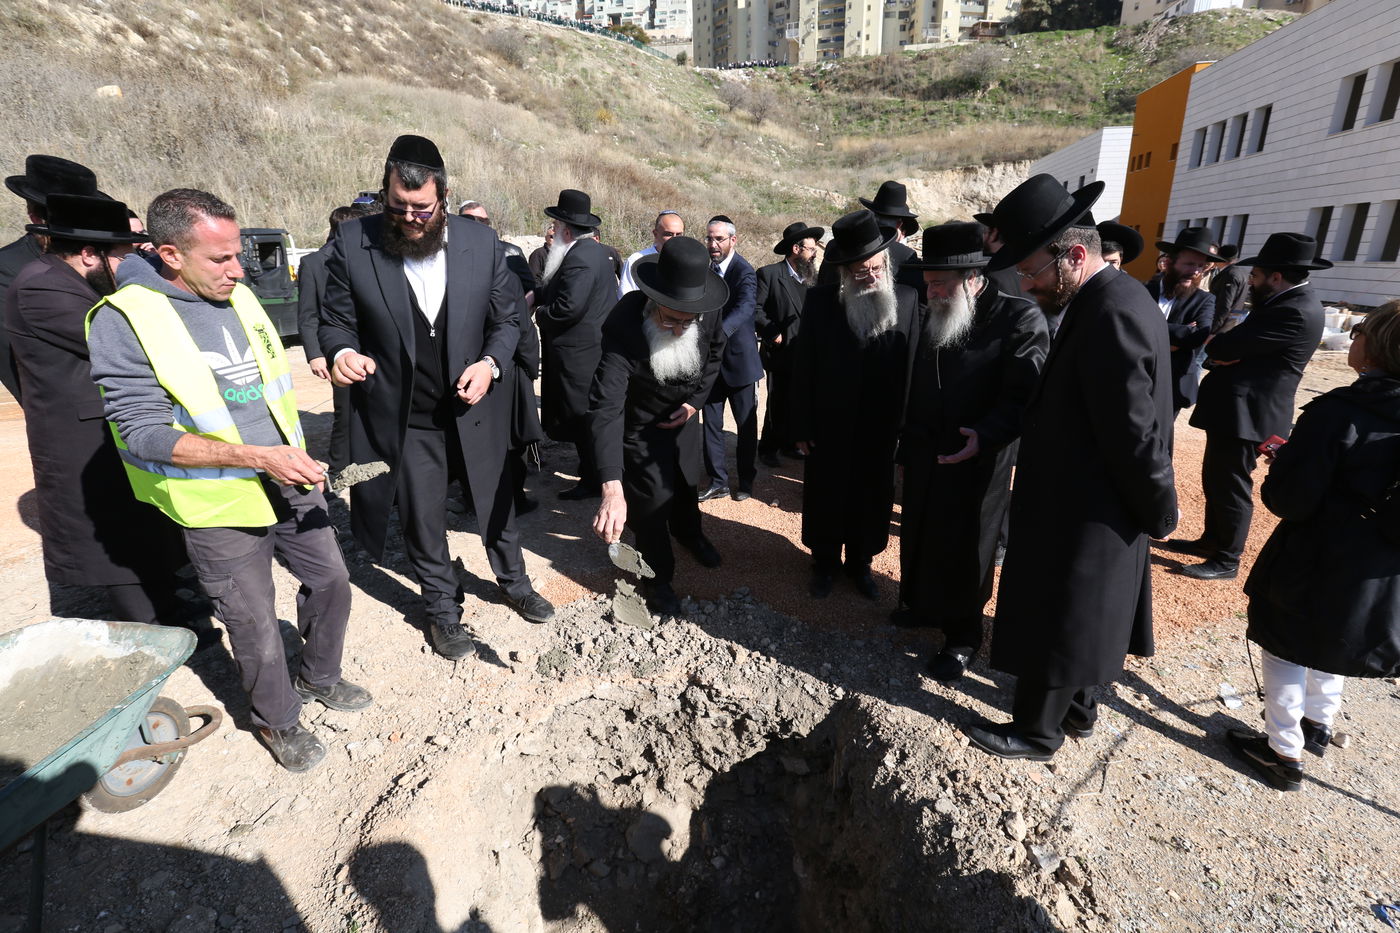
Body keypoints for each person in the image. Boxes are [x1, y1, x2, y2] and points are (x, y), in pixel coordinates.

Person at [87, 188, 369, 773]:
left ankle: (319, 678)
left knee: (332, 582)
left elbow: (266, 388)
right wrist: (257, 457)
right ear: (170, 253)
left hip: (287, 475)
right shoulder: (125, 319)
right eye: (220, 259)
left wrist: (284, 455)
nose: (238, 270)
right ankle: (279, 720)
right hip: (216, 498)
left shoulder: (238, 295)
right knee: (254, 622)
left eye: (238, 254)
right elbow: (141, 433)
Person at [963, 175, 1177, 762]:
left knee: (1061, 614)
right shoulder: (1110, 298)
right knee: (1081, 613)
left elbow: (1135, 431)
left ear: (1074, 255)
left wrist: (1160, 507)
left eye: (1030, 273)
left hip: (1089, 504)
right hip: (1085, 496)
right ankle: (1077, 711)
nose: (1027, 287)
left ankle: (1036, 731)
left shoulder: (1109, 314)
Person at [320, 135, 555, 663]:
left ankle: (514, 582)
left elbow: (509, 319)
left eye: (421, 208)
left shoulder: (480, 242)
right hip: (407, 416)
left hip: (475, 405)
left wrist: (490, 363)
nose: (409, 219)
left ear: (443, 198)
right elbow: (336, 319)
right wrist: (340, 352)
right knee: (423, 516)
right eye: (398, 206)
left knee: (496, 500)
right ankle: (442, 612)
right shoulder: (354, 242)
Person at [4, 193, 200, 634]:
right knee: (114, 530)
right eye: (124, 254)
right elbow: (117, 333)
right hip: (77, 434)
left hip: (104, 421)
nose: (131, 261)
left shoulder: (70, 277)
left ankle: (166, 600)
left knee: (141, 520)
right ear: (89, 253)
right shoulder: (40, 285)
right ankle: (150, 624)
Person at [1226, 302, 1400, 791]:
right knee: (1336, 639)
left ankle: (1283, 752)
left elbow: (1289, 500)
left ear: (1379, 346)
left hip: (1317, 556)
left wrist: (1283, 465)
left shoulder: (1340, 411)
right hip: (1382, 570)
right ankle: (1316, 725)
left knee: (1287, 644)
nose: (1355, 336)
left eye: (1361, 329)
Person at [893, 222, 1048, 681]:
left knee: (968, 544)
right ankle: (921, 604)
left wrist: (985, 434)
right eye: (927, 282)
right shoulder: (939, 307)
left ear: (972, 278)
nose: (930, 291)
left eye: (939, 282)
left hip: (979, 454)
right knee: (920, 529)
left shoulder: (1019, 318)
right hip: (925, 447)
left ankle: (963, 635)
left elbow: (1024, 396)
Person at [1167, 232, 1328, 581]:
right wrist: (1225, 350)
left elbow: (1223, 346)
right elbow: (1226, 348)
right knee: (1217, 478)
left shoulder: (1295, 311)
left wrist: (1224, 349)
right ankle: (1212, 541)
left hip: (1251, 413)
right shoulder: (1281, 303)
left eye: (1255, 276)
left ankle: (1227, 558)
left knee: (1231, 485)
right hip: (1238, 410)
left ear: (1276, 276)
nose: (1249, 281)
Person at [589, 236, 728, 615]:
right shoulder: (623, 324)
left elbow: (716, 351)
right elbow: (606, 407)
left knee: (685, 486)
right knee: (649, 509)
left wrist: (694, 402)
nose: (681, 328)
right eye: (670, 319)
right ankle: (658, 579)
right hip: (640, 425)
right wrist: (611, 485)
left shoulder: (708, 311)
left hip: (682, 418)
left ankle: (689, 534)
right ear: (652, 301)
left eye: (689, 321)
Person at [791, 210, 920, 600]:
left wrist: (907, 430)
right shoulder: (820, 303)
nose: (872, 276)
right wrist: (801, 425)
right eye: (861, 271)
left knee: (871, 495)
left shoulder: (909, 300)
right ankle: (825, 562)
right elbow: (803, 368)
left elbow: (912, 368)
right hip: (829, 424)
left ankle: (861, 563)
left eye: (877, 266)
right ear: (845, 272)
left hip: (880, 427)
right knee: (827, 493)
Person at [459, 198, 545, 515]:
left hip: (494, 367)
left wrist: (527, 366)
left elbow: (518, 321)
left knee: (503, 440)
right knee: (497, 441)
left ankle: (495, 499)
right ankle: (497, 501)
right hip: (486, 370)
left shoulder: (505, 263)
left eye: (480, 221)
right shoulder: (494, 274)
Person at [1, 155, 108, 401]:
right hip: (76, 412)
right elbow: (16, 363)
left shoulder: (103, 253)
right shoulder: (7, 269)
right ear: (35, 218)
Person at [534, 189, 618, 500]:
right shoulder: (594, 252)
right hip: (587, 351)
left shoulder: (580, 258)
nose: (553, 232)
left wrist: (540, 312)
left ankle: (593, 480)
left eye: (556, 227)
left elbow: (568, 307)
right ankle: (591, 474)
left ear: (566, 230)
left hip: (580, 356)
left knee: (584, 420)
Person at [297, 205, 367, 471]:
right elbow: (307, 315)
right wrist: (315, 354)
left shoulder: (367, 259)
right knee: (346, 411)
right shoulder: (314, 263)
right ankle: (340, 466)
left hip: (370, 348)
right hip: (336, 347)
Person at [697, 215, 760, 502]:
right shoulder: (704, 269)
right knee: (710, 422)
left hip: (739, 362)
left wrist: (717, 332)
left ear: (733, 240)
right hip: (710, 363)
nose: (713, 244)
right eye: (709, 238)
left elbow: (746, 306)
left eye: (719, 239)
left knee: (745, 425)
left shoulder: (743, 271)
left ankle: (746, 481)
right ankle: (718, 481)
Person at [754, 221, 822, 467]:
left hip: (805, 352)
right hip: (781, 351)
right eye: (811, 249)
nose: (814, 254)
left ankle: (791, 443)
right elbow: (755, 308)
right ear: (796, 248)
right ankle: (768, 448)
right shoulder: (770, 274)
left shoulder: (812, 278)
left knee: (799, 400)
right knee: (778, 401)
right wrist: (772, 331)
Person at [1147, 226, 1217, 415]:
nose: (1195, 271)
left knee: (1160, 440)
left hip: (1173, 383)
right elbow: (1127, 327)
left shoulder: (1205, 300)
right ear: (1169, 263)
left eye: (1200, 266)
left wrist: (1148, 333)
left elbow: (1197, 337)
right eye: (1189, 264)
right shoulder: (1143, 292)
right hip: (1135, 377)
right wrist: (1179, 333)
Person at [618, 210, 684, 297]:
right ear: (655, 234)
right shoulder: (636, 261)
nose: (674, 239)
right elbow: (625, 298)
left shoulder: (689, 262)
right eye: (669, 234)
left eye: (678, 234)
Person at [1209, 244, 1249, 333]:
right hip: (1233, 324)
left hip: (1221, 327)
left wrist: (1213, 330)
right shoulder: (1242, 273)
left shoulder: (1229, 275)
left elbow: (1224, 305)